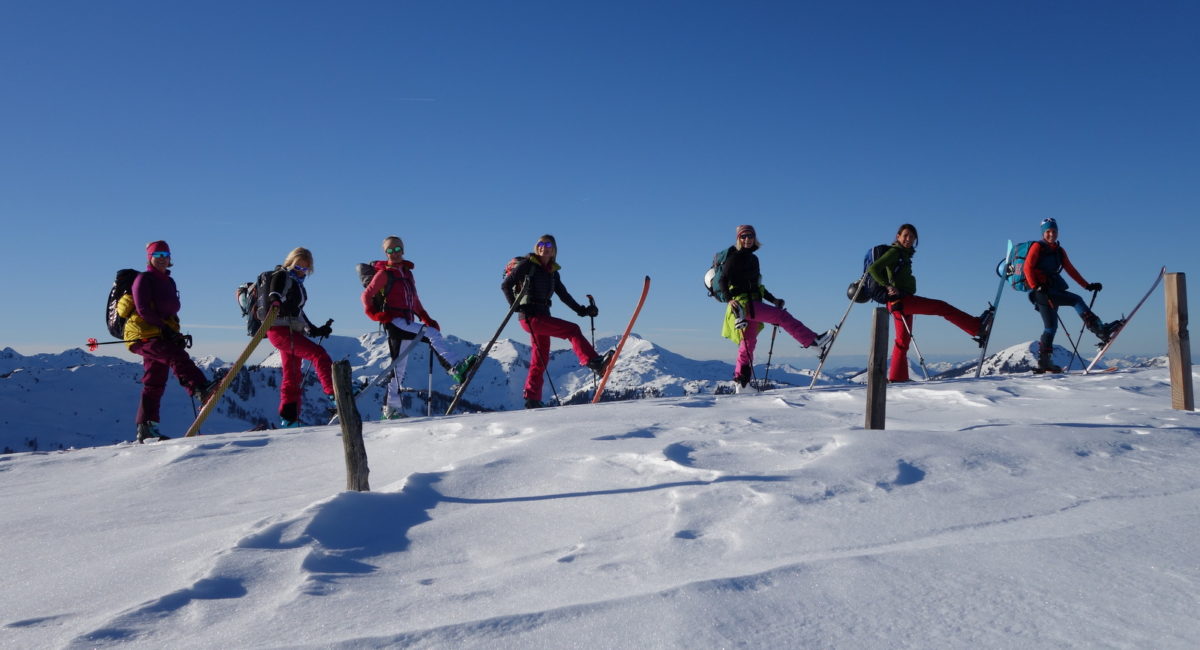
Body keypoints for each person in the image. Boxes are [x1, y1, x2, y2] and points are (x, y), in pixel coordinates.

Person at [363, 236, 478, 419]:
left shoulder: (407, 273)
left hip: (406, 320)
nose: (395, 253)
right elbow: (366, 296)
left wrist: (425, 317)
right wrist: (376, 315)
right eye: (390, 250)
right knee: (432, 334)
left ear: (403, 250)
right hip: (394, 321)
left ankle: (390, 410)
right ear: (385, 253)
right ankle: (455, 367)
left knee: (398, 368)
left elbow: (414, 300)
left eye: (397, 249)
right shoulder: (384, 273)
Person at [868, 223, 993, 383]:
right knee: (942, 307)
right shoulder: (895, 252)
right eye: (905, 235)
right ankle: (976, 326)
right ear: (898, 236)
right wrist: (888, 286)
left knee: (902, 341)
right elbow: (873, 269)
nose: (908, 239)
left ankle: (897, 378)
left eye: (912, 236)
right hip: (902, 300)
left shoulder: (903, 254)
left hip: (897, 302)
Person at [116, 240, 214, 442]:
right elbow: (143, 309)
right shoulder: (143, 279)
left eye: (165, 256)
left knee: (154, 381)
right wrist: (166, 330)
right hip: (141, 335)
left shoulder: (169, 282)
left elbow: (169, 313)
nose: (162, 259)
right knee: (176, 356)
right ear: (150, 258)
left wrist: (174, 333)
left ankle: (146, 428)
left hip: (159, 333)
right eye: (157, 255)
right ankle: (200, 388)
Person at [501, 234, 613, 409]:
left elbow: (564, 295)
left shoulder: (552, 272)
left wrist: (583, 311)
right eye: (541, 244)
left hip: (542, 316)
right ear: (537, 246)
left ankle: (532, 398)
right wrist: (515, 307)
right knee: (572, 330)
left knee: (540, 358)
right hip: (531, 317)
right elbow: (506, 285)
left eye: (548, 244)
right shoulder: (527, 265)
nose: (544, 247)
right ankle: (594, 362)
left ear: (553, 250)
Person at [718, 225, 832, 389]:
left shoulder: (753, 259)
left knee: (748, 344)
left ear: (754, 238)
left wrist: (774, 300)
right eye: (743, 237)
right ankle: (813, 341)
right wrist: (729, 300)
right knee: (781, 316)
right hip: (743, 304)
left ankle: (741, 383)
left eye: (750, 236)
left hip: (753, 302)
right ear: (738, 239)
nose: (747, 239)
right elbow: (723, 280)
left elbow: (757, 287)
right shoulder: (734, 258)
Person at [1022, 217, 1120, 373]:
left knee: (1050, 327)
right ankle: (1100, 330)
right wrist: (1036, 286)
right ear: (1043, 233)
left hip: (1050, 290)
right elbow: (1027, 268)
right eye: (1048, 231)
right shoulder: (1037, 247)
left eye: (1054, 231)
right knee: (1075, 300)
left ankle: (1044, 362)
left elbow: (1071, 270)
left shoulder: (1059, 251)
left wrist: (1087, 285)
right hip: (1041, 292)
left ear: (1057, 232)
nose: (1051, 234)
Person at [264, 247, 336, 427]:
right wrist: (275, 300)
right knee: (318, 354)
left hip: (289, 330)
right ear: (290, 263)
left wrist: (314, 330)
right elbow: (275, 291)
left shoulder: (296, 283)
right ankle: (335, 393)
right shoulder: (282, 276)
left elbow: (298, 313)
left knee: (292, 376)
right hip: (279, 331)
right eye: (297, 267)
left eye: (305, 269)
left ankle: (289, 419)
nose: (301, 271)